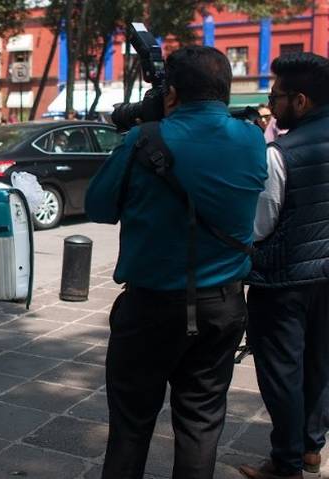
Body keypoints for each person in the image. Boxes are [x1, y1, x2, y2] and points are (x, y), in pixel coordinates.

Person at [85, 46, 267, 479]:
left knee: (131, 425)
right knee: (201, 424)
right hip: (222, 307)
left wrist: (142, 129)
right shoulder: (252, 139)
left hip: (150, 307)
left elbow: (98, 206)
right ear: (226, 90)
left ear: (171, 94)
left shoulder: (143, 139)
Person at [239, 53, 329, 479]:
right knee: (320, 363)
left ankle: (286, 462)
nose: (270, 105)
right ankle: (312, 448)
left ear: (302, 100)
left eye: (276, 96)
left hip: (284, 281)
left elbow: (259, 226)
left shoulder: (280, 153)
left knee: (282, 373)